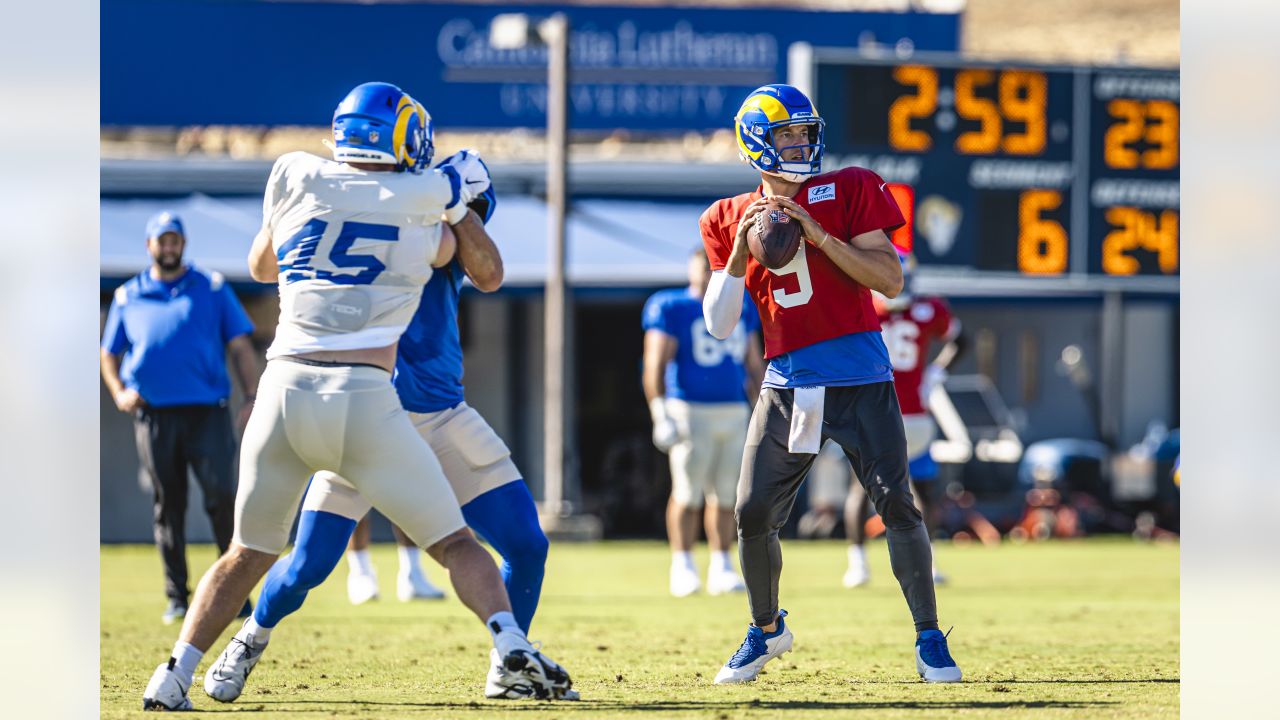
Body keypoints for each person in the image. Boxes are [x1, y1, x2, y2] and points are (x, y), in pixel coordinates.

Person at [142, 82, 571, 711]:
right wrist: (449, 194)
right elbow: (475, 255)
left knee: (252, 550)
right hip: (371, 405)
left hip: (355, 397)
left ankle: (174, 671)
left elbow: (266, 261)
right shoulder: (423, 215)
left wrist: (448, 200)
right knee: (361, 558)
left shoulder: (302, 178)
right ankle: (253, 637)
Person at [698, 84, 962, 685]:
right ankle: (766, 630)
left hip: (861, 376)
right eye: (786, 133)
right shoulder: (725, 216)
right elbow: (718, 324)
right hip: (788, 382)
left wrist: (819, 237)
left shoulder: (851, 186)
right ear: (755, 142)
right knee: (752, 510)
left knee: (896, 503)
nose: (799, 142)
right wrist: (740, 252)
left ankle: (928, 637)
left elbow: (889, 279)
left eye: (803, 131)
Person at [100, 211, 259, 625]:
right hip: (154, 417)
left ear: (183, 244)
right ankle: (177, 596)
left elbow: (241, 345)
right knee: (168, 505)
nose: (169, 247)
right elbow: (108, 353)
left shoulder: (212, 287)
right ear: (150, 245)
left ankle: (235, 594)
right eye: (162, 241)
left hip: (208, 412)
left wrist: (253, 395)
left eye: (175, 240)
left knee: (222, 498)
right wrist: (119, 392)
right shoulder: (128, 295)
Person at [643, 248, 763, 597]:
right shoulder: (673, 306)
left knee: (728, 493)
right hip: (689, 408)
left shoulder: (742, 307)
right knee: (687, 490)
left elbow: (753, 362)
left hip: (733, 409)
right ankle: (682, 563)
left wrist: (764, 407)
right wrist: (659, 412)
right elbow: (655, 363)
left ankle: (721, 563)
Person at [844, 250, 962, 588]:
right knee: (871, 488)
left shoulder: (913, 308)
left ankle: (875, 564)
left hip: (903, 415)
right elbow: (961, 339)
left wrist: (937, 371)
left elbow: (959, 338)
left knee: (913, 489)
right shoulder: (871, 305)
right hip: (884, 413)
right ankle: (861, 563)